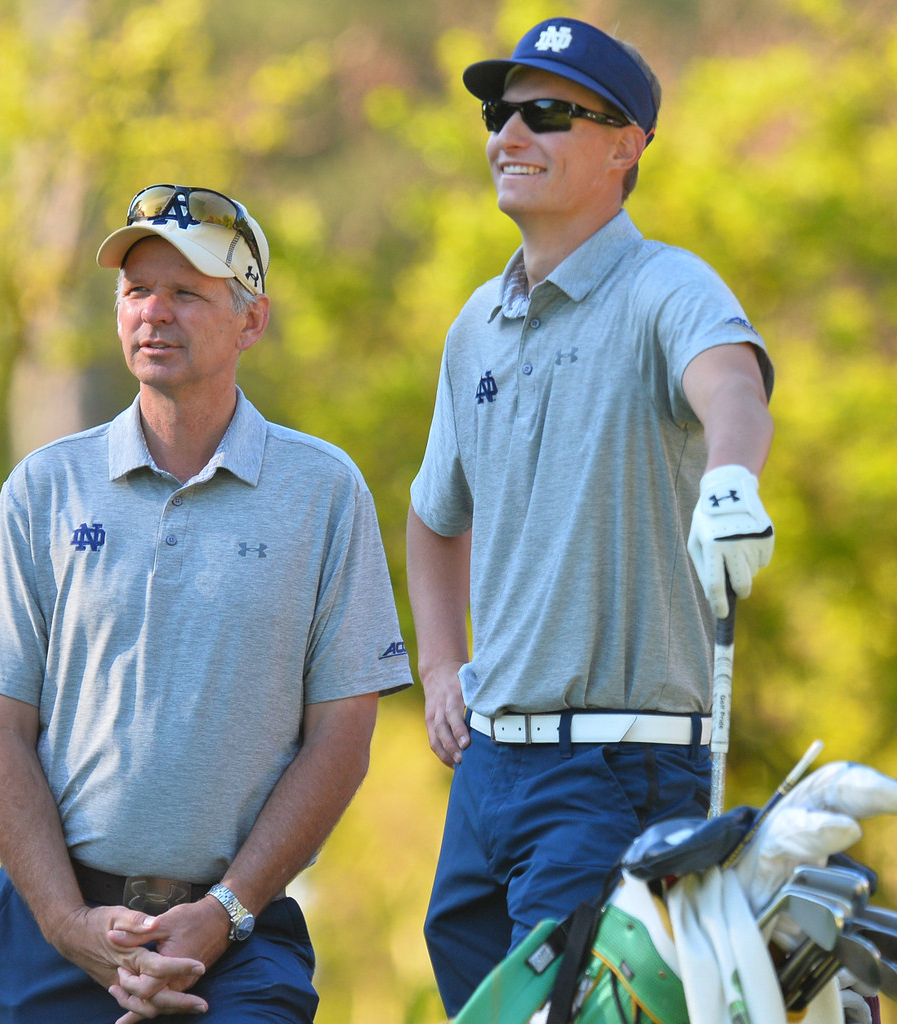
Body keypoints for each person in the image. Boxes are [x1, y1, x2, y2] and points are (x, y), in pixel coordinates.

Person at [0, 184, 412, 1024]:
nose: (153, 312)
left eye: (186, 292)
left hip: (238, 932)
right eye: (136, 290)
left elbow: (342, 736)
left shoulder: (324, 492)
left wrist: (226, 914)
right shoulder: (45, 488)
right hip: (58, 933)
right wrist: (68, 924)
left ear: (252, 320)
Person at [405, 18, 775, 1016]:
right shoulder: (474, 324)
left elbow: (732, 389)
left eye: (547, 114)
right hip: (489, 776)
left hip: (620, 772)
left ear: (625, 146)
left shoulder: (667, 287)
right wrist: (441, 668)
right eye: (499, 112)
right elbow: (434, 518)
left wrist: (731, 482)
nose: (508, 135)